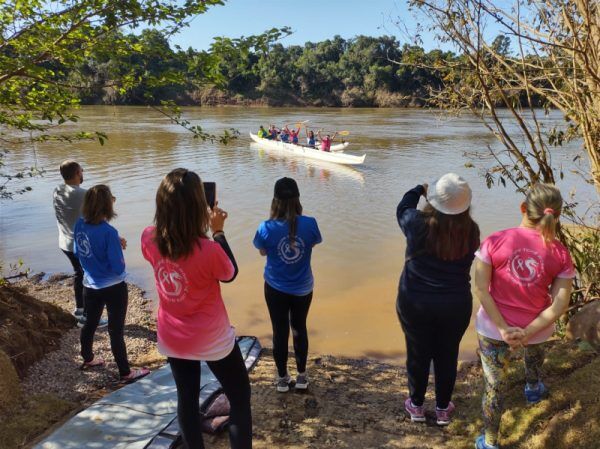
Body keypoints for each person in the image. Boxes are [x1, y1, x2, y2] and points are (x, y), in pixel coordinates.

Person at [141, 169, 252, 449]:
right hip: (213, 339)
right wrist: (218, 231)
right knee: (239, 399)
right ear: (199, 206)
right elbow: (230, 273)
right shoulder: (209, 249)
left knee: (187, 400)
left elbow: (167, 251)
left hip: (173, 337)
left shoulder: (148, 238)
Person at [473, 183, 574, 449]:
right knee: (534, 357)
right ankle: (532, 389)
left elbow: (481, 289)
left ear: (523, 208)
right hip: (537, 330)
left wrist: (504, 329)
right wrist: (528, 332)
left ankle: (491, 441)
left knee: (494, 387)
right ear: (556, 215)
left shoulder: (495, 241)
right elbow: (559, 305)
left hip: (494, 330)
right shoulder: (561, 253)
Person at [396, 173, 480, 426]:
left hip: (415, 302)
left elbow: (402, 207)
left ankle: (417, 406)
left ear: (433, 201)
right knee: (447, 354)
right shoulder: (472, 230)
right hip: (455, 303)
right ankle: (443, 408)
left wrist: (418, 188)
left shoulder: (416, 223)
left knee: (417, 353)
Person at [253, 177, 322, 392]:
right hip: (302, 288)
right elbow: (312, 243)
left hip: (275, 287)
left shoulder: (266, 227)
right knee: (299, 328)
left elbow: (263, 251)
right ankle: (302, 377)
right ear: (298, 199)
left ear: (274, 201)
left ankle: (282, 379)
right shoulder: (310, 224)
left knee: (279, 330)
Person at [74, 185, 149, 382]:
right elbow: (117, 267)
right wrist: (117, 247)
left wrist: (113, 242)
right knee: (115, 330)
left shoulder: (79, 224)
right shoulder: (108, 231)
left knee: (88, 324)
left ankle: (88, 358)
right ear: (107, 206)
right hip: (113, 287)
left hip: (89, 285)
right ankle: (125, 372)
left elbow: (78, 251)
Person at [53, 160, 108, 329]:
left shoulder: (57, 190)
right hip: (81, 245)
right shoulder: (84, 194)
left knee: (79, 273)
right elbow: (100, 217)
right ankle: (88, 317)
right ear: (77, 173)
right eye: (82, 171)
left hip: (64, 242)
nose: (83, 173)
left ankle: (80, 309)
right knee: (88, 277)